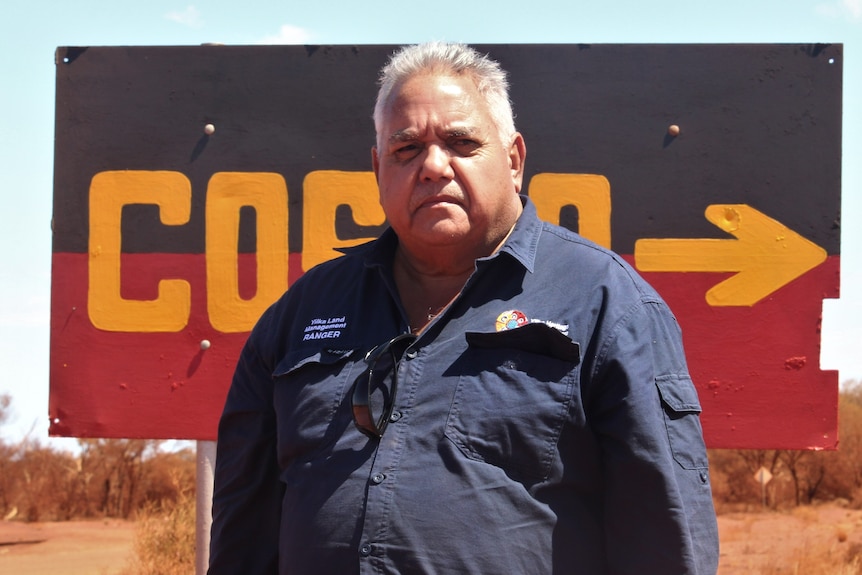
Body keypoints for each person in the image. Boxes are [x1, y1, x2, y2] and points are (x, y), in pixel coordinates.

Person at [208, 42, 719, 574]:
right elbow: (244, 531)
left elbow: (665, 539)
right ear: (377, 167)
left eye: (460, 142)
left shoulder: (608, 306)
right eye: (405, 149)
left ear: (514, 159)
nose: (432, 166)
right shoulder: (301, 312)